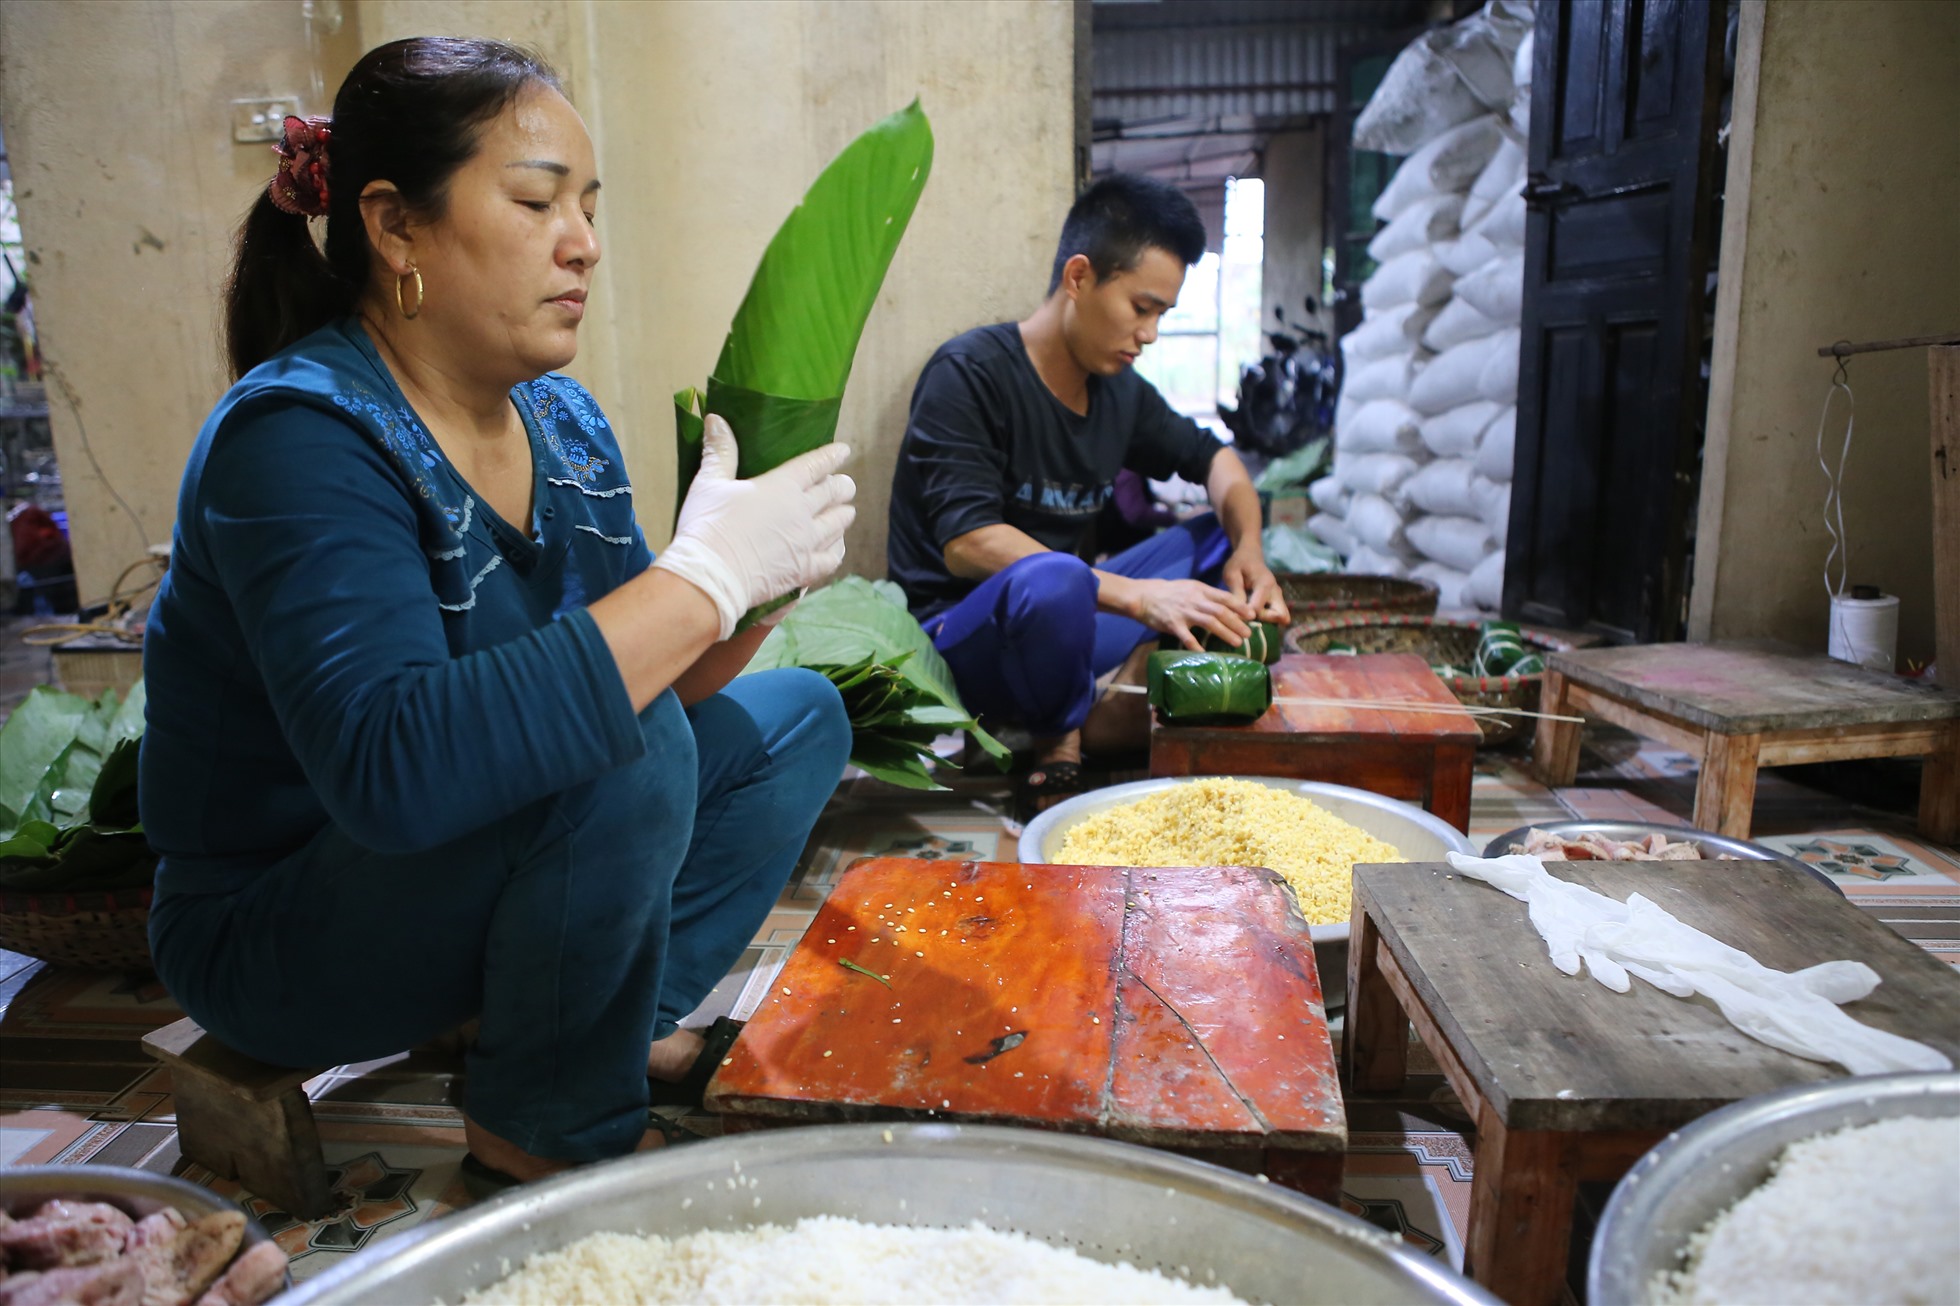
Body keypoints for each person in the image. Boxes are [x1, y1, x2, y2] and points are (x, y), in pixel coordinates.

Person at [139, 37, 856, 1189]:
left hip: (462, 861)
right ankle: (544, 1123)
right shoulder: (301, 437)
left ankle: (595, 1027)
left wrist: (751, 594)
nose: (583, 241)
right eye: (535, 200)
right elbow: (392, 768)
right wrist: (699, 577)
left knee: (797, 720)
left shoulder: (562, 424)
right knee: (624, 762)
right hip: (279, 920)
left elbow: (653, 687)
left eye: (586, 204)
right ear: (395, 225)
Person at [885, 174, 1290, 817]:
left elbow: (1218, 462)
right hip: (965, 635)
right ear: (1079, 277)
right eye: (1142, 307)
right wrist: (1138, 596)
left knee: (1221, 529)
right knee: (1053, 580)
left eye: (1162, 315)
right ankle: (1061, 745)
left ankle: (1112, 708)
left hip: (1072, 616)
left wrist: (1251, 550)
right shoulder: (969, 374)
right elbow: (967, 544)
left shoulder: (1119, 392)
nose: (1151, 333)